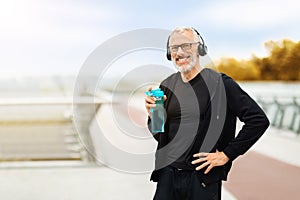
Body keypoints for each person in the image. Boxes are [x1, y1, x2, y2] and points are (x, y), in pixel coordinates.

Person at [144, 26, 269, 200]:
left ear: (199, 48)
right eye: (174, 48)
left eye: (186, 45)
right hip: (167, 177)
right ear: (169, 53)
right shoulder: (167, 85)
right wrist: (153, 116)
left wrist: (227, 154)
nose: (180, 52)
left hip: (201, 180)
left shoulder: (220, 84)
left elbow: (258, 120)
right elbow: (161, 134)